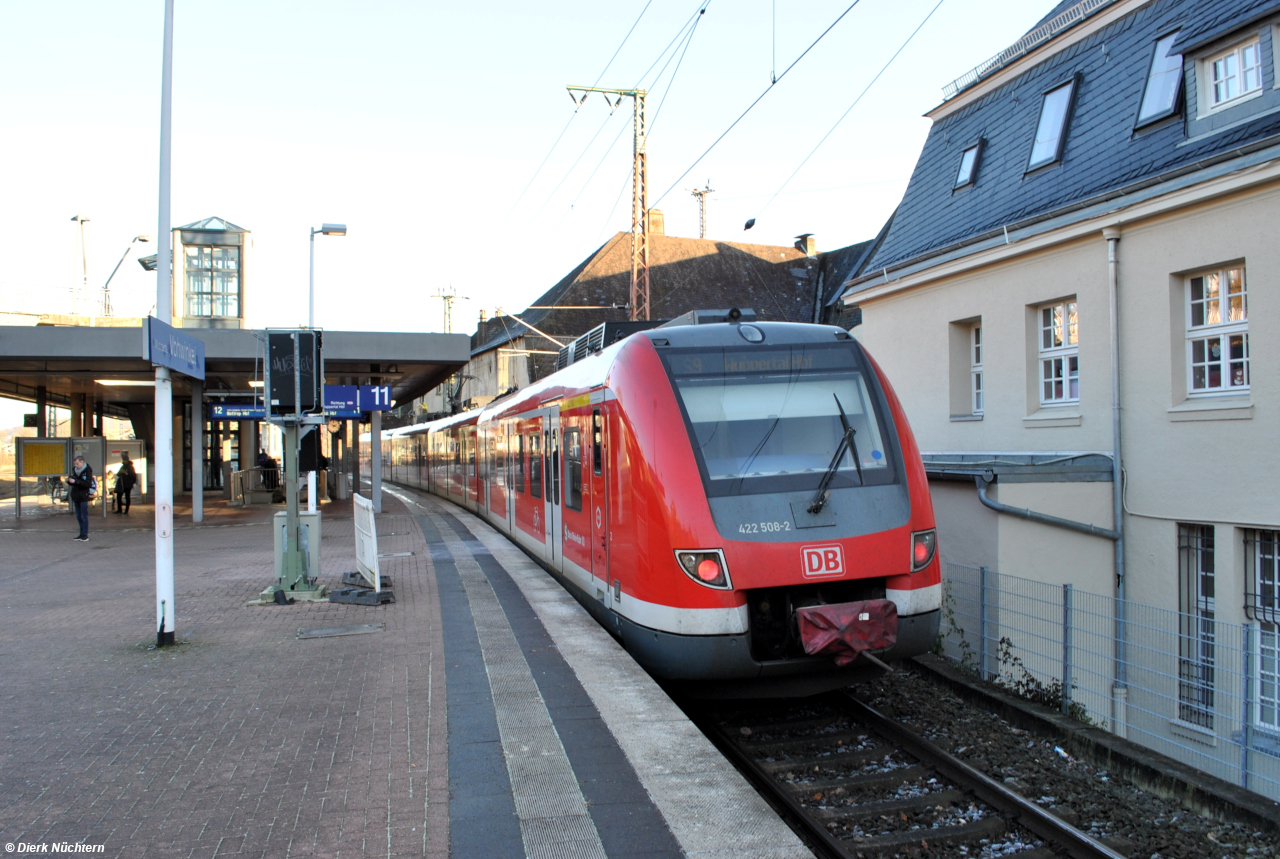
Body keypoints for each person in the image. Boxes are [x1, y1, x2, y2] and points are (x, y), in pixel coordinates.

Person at [65, 454, 95, 542]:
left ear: (82, 462)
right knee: (78, 516)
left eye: (77, 464)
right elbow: (75, 482)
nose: (76, 466)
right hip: (76, 495)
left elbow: (87, 484)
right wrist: (70, 481)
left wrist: (76, 481)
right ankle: (81, 534)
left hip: (83, 495)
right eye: (75, 464)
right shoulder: (75, 470)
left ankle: (85, 534)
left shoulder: (87, 471)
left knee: (84, 516)